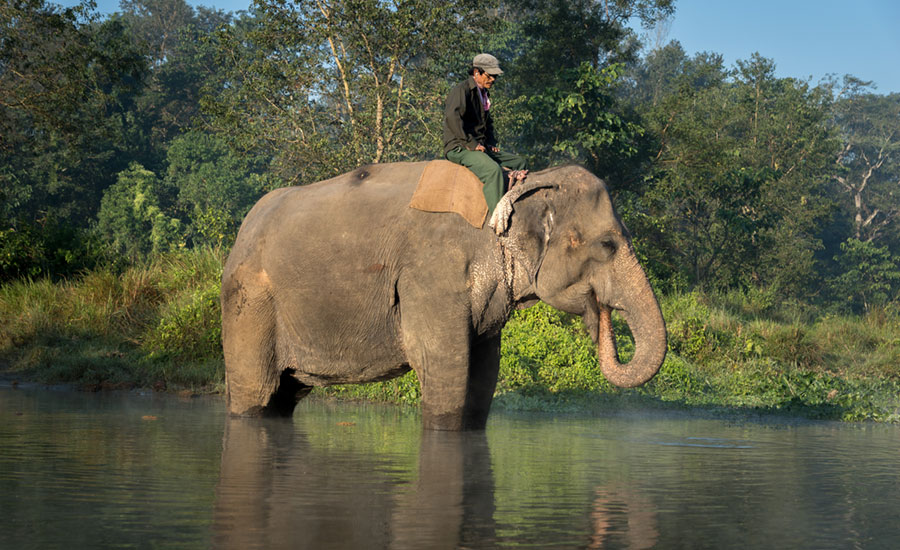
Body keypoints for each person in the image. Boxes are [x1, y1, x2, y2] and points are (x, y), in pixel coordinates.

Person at [443, 53, 528, 213]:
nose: (493, 79)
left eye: (495, 76)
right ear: (477, 72)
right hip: (459, 147)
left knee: (519, 163)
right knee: (493, 171)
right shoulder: (461, 90)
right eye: (489, 76)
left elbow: (487, 124)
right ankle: (498, 217)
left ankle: (513, 206)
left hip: (479, 146)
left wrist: (490, 142)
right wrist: (472, 144)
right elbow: (452, 118)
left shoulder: (483, 94)